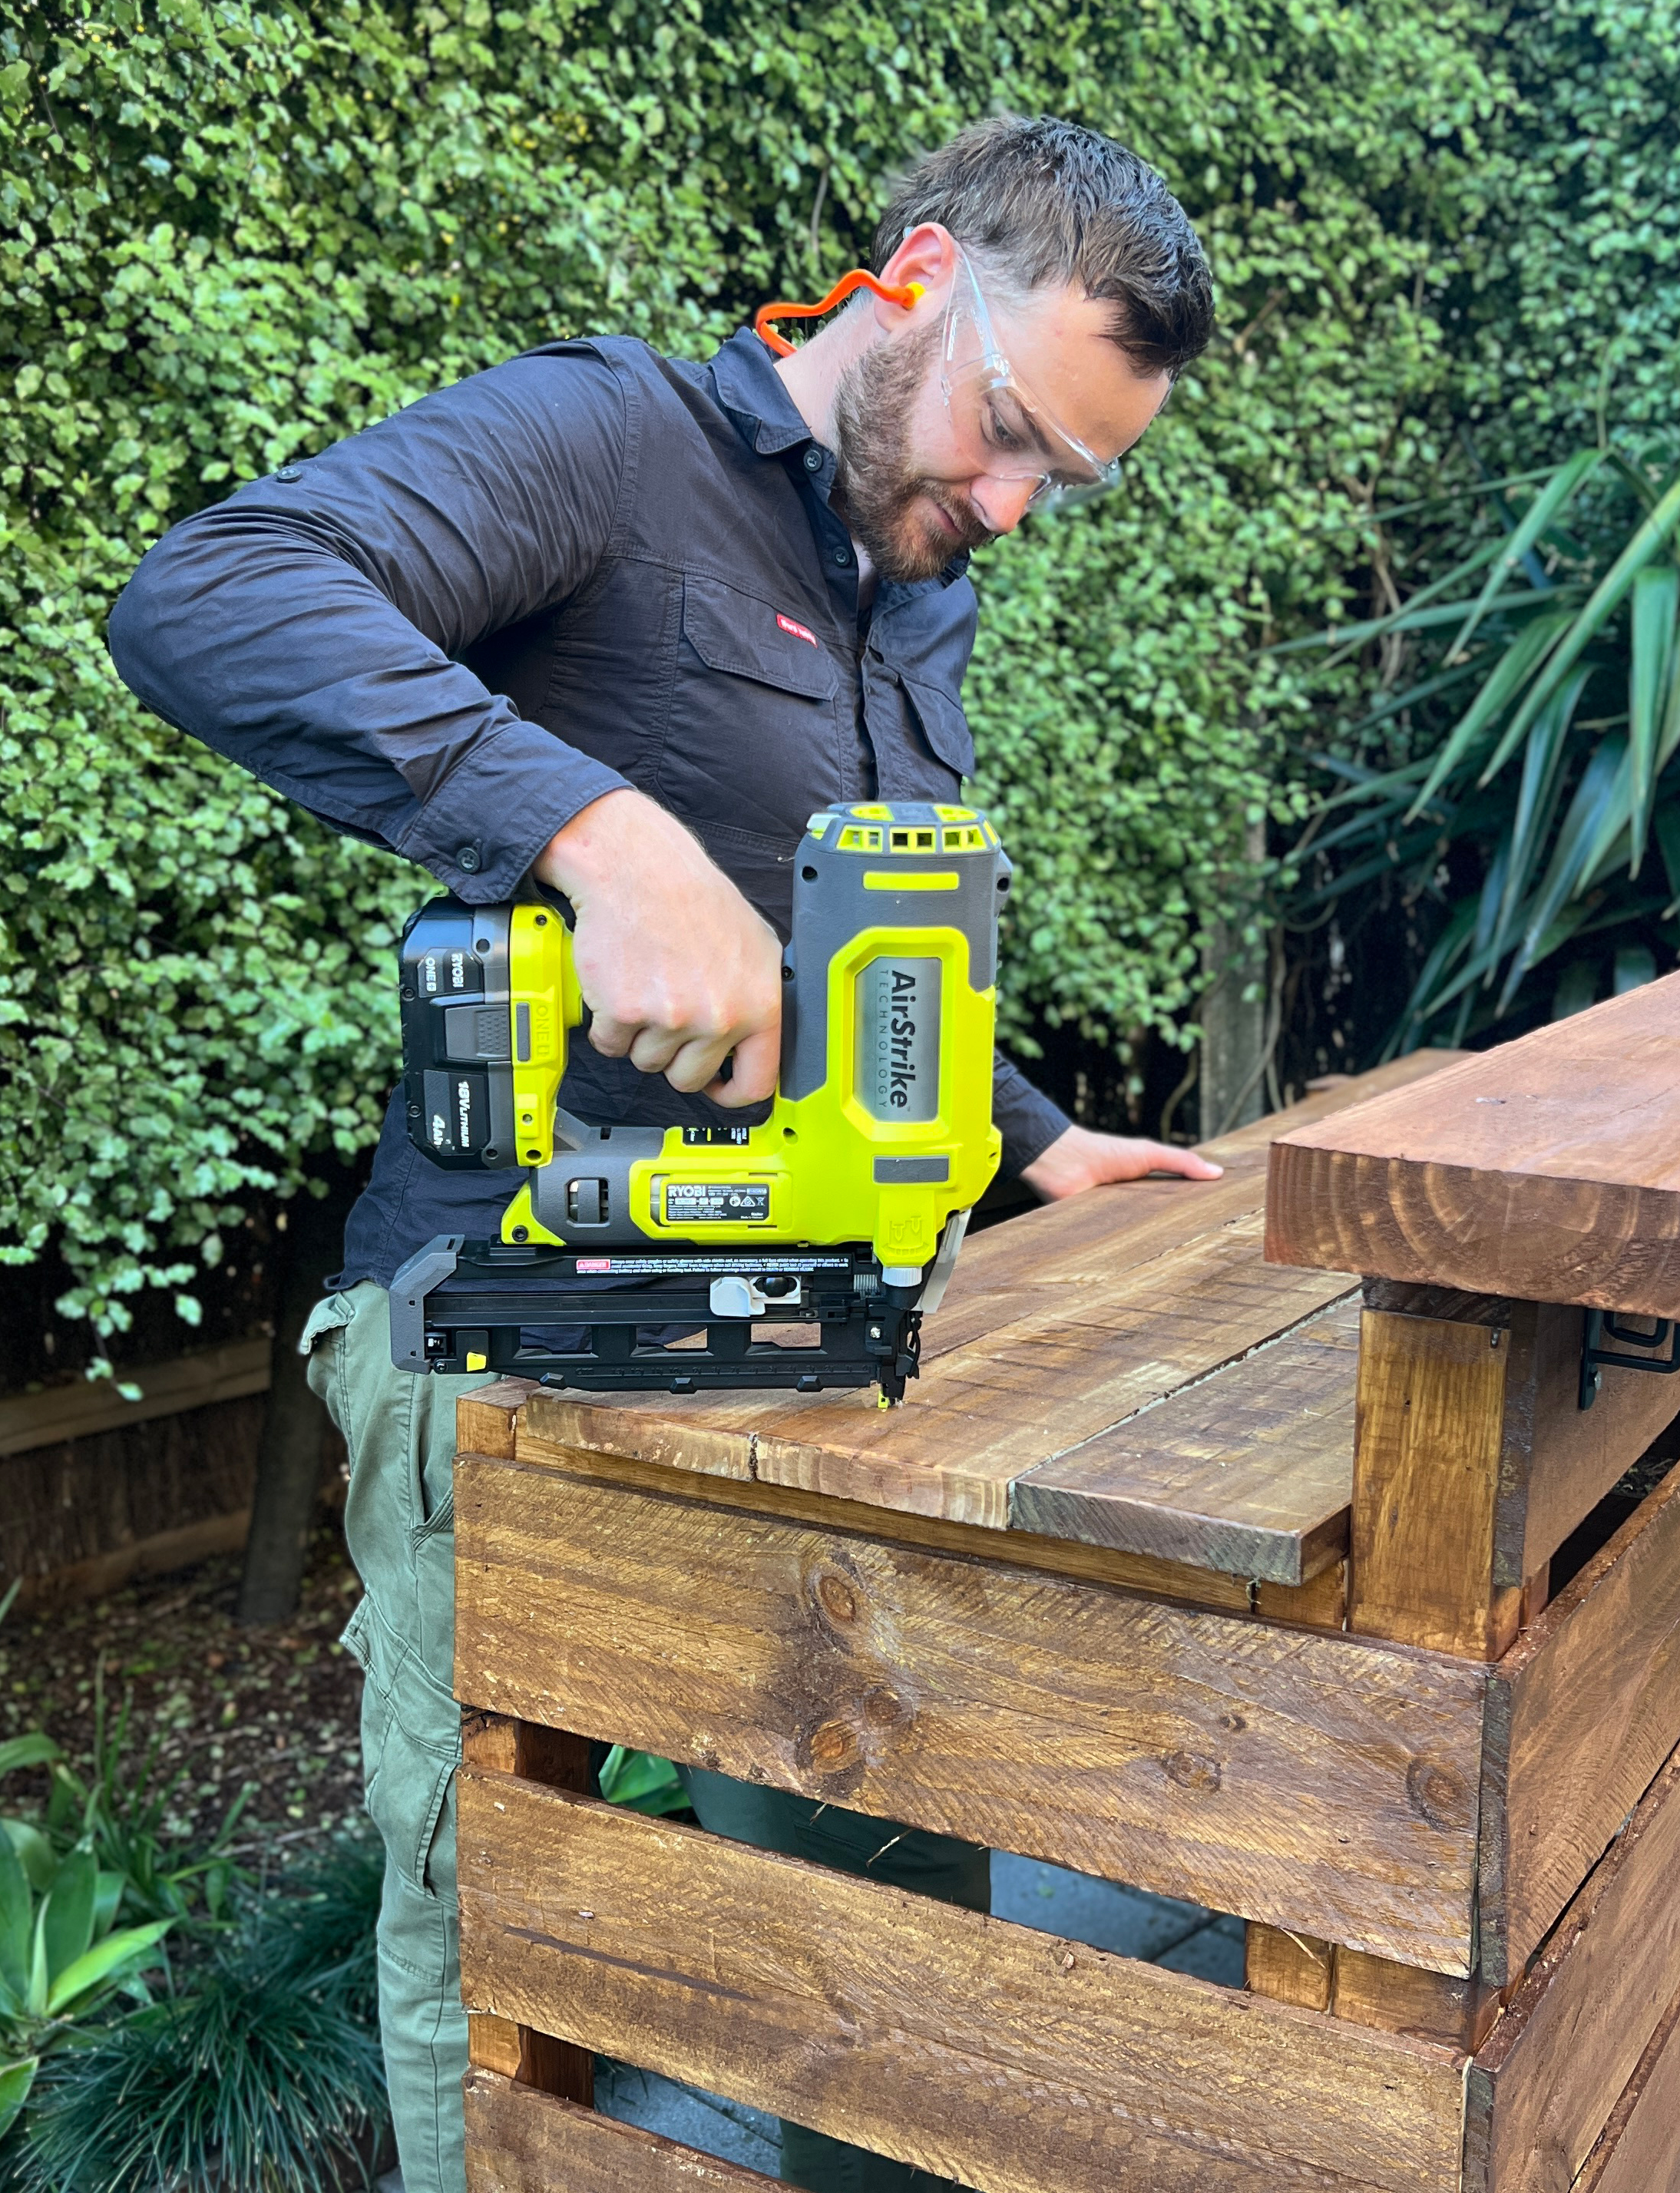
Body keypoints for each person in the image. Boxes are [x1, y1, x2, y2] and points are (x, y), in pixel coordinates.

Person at [107, 114, 1222, 2193]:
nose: (1005, 504)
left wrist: (1032, 1139)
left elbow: (873, 952)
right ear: (911, 280)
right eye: (1003, 436)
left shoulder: (919, 582)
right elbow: (210, 593)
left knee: (875, 1863)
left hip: (791, 1327)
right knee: (502, 1894)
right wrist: (594, 834)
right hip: (504, 1324)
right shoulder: (609, 441)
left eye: (1057, 482)